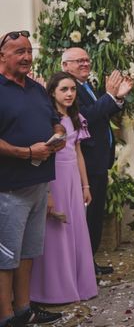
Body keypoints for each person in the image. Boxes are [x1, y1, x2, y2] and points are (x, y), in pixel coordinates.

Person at [0, 30, 64, 326]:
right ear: (2, 56)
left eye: (29, 51)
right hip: (8, 188)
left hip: (38, 184)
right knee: (5, 256)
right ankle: (6, 316)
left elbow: (55, 120)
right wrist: (26, 152)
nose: (27, 57)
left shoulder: (36, 89)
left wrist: (59, 135)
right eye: (19, 52)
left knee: (28, 253)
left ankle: (24, 310)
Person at [62, 47, 134, 276]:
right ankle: (83, 266)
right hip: (87, 163)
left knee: (94, 216)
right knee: (87, 217)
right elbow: (86, 117)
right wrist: (111, 96)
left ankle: (89, 261)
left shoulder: (86, 86)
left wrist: (117, 97)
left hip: (99, 160)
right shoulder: (69, 89)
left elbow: (100, 114)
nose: (85, 63)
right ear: (65, 66)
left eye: (86, 59)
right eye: (78, 61)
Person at [30, 72, 98, 303]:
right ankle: (54, 290)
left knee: (76, 229)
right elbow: (46, 154)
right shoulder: (49, 119)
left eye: (72, 89)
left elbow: (78, 153)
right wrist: (47, 191)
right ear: (52, 92)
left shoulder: (77, 117)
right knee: (55, 231)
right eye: (64, 90)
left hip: (72, 179)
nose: (70, 94)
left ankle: (79, 285)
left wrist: (85, 185)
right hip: (54, 178)